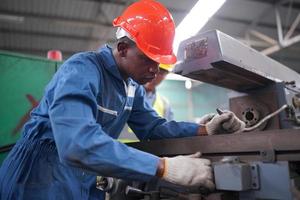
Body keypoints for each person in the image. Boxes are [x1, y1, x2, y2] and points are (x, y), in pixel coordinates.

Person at [0, 0, 245, 199]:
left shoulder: (130, 86)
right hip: (37, 176)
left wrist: (205, 130)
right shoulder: (82, 70)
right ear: (123, 48)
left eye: (158, 62)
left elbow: (154, 127)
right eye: (147, 58)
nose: (154, 69)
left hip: (82, 177)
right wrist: (164, 168)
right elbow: (76, 144)